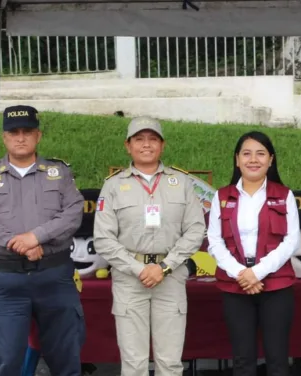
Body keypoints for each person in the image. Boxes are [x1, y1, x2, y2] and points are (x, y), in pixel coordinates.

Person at [0, 105, 86, 376]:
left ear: (38, 136)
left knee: (66, 358)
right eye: (14, 132)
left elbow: (73, 213)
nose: (21, 138)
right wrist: (16, 243)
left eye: (27, 132)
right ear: (5, 137)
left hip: (54, 277)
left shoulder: (59, 172)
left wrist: (36, 237)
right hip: (8, 281)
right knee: (6, 358)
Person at [93, 116, 206, 376]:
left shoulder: (182, 183)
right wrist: (138, 269)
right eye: (139, 139)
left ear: (162, 145)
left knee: (170, 362)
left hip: (171, 276)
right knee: (134, 363)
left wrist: (164, 267)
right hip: (129, 280)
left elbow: (195, 229)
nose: (146, 144)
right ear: (128, 145)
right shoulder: (113, 186)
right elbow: (103, 238)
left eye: (152, 139)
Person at [207, 131, 300, 376]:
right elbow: (214, 242)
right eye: (246, 154)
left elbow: (291, 241)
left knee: (277, 360)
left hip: (276, 287)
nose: (253, 160)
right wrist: (241, 273)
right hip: (235, 286)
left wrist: (256, 273)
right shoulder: (222, 196)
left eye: (261, 154)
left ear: (271, 159)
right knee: (242, 360)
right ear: (237, 159)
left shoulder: (284, 195)